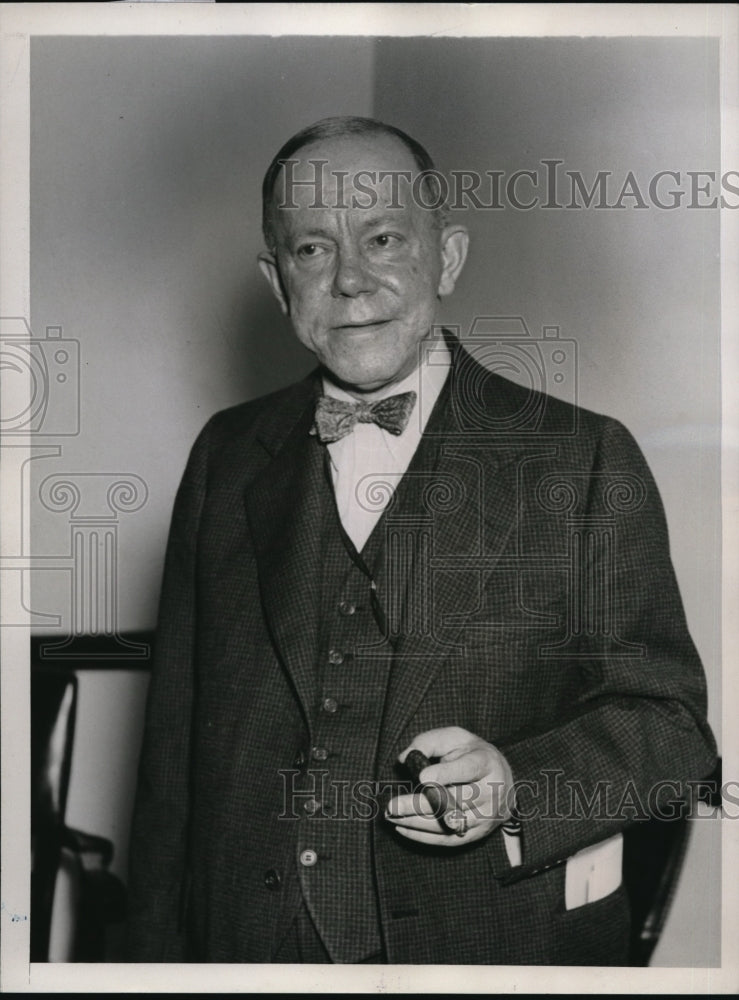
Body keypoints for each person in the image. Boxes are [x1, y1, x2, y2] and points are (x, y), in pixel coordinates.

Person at [127, 116, 716, 965]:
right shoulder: (226, 453)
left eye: (383, 238)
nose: (351, 280)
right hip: (244, 951)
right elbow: (170, 761)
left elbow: (669, 731)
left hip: (487, 951)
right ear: (274, 280)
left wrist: (516, 785)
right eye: (311, 250)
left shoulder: (581, 457)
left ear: (446, 258)